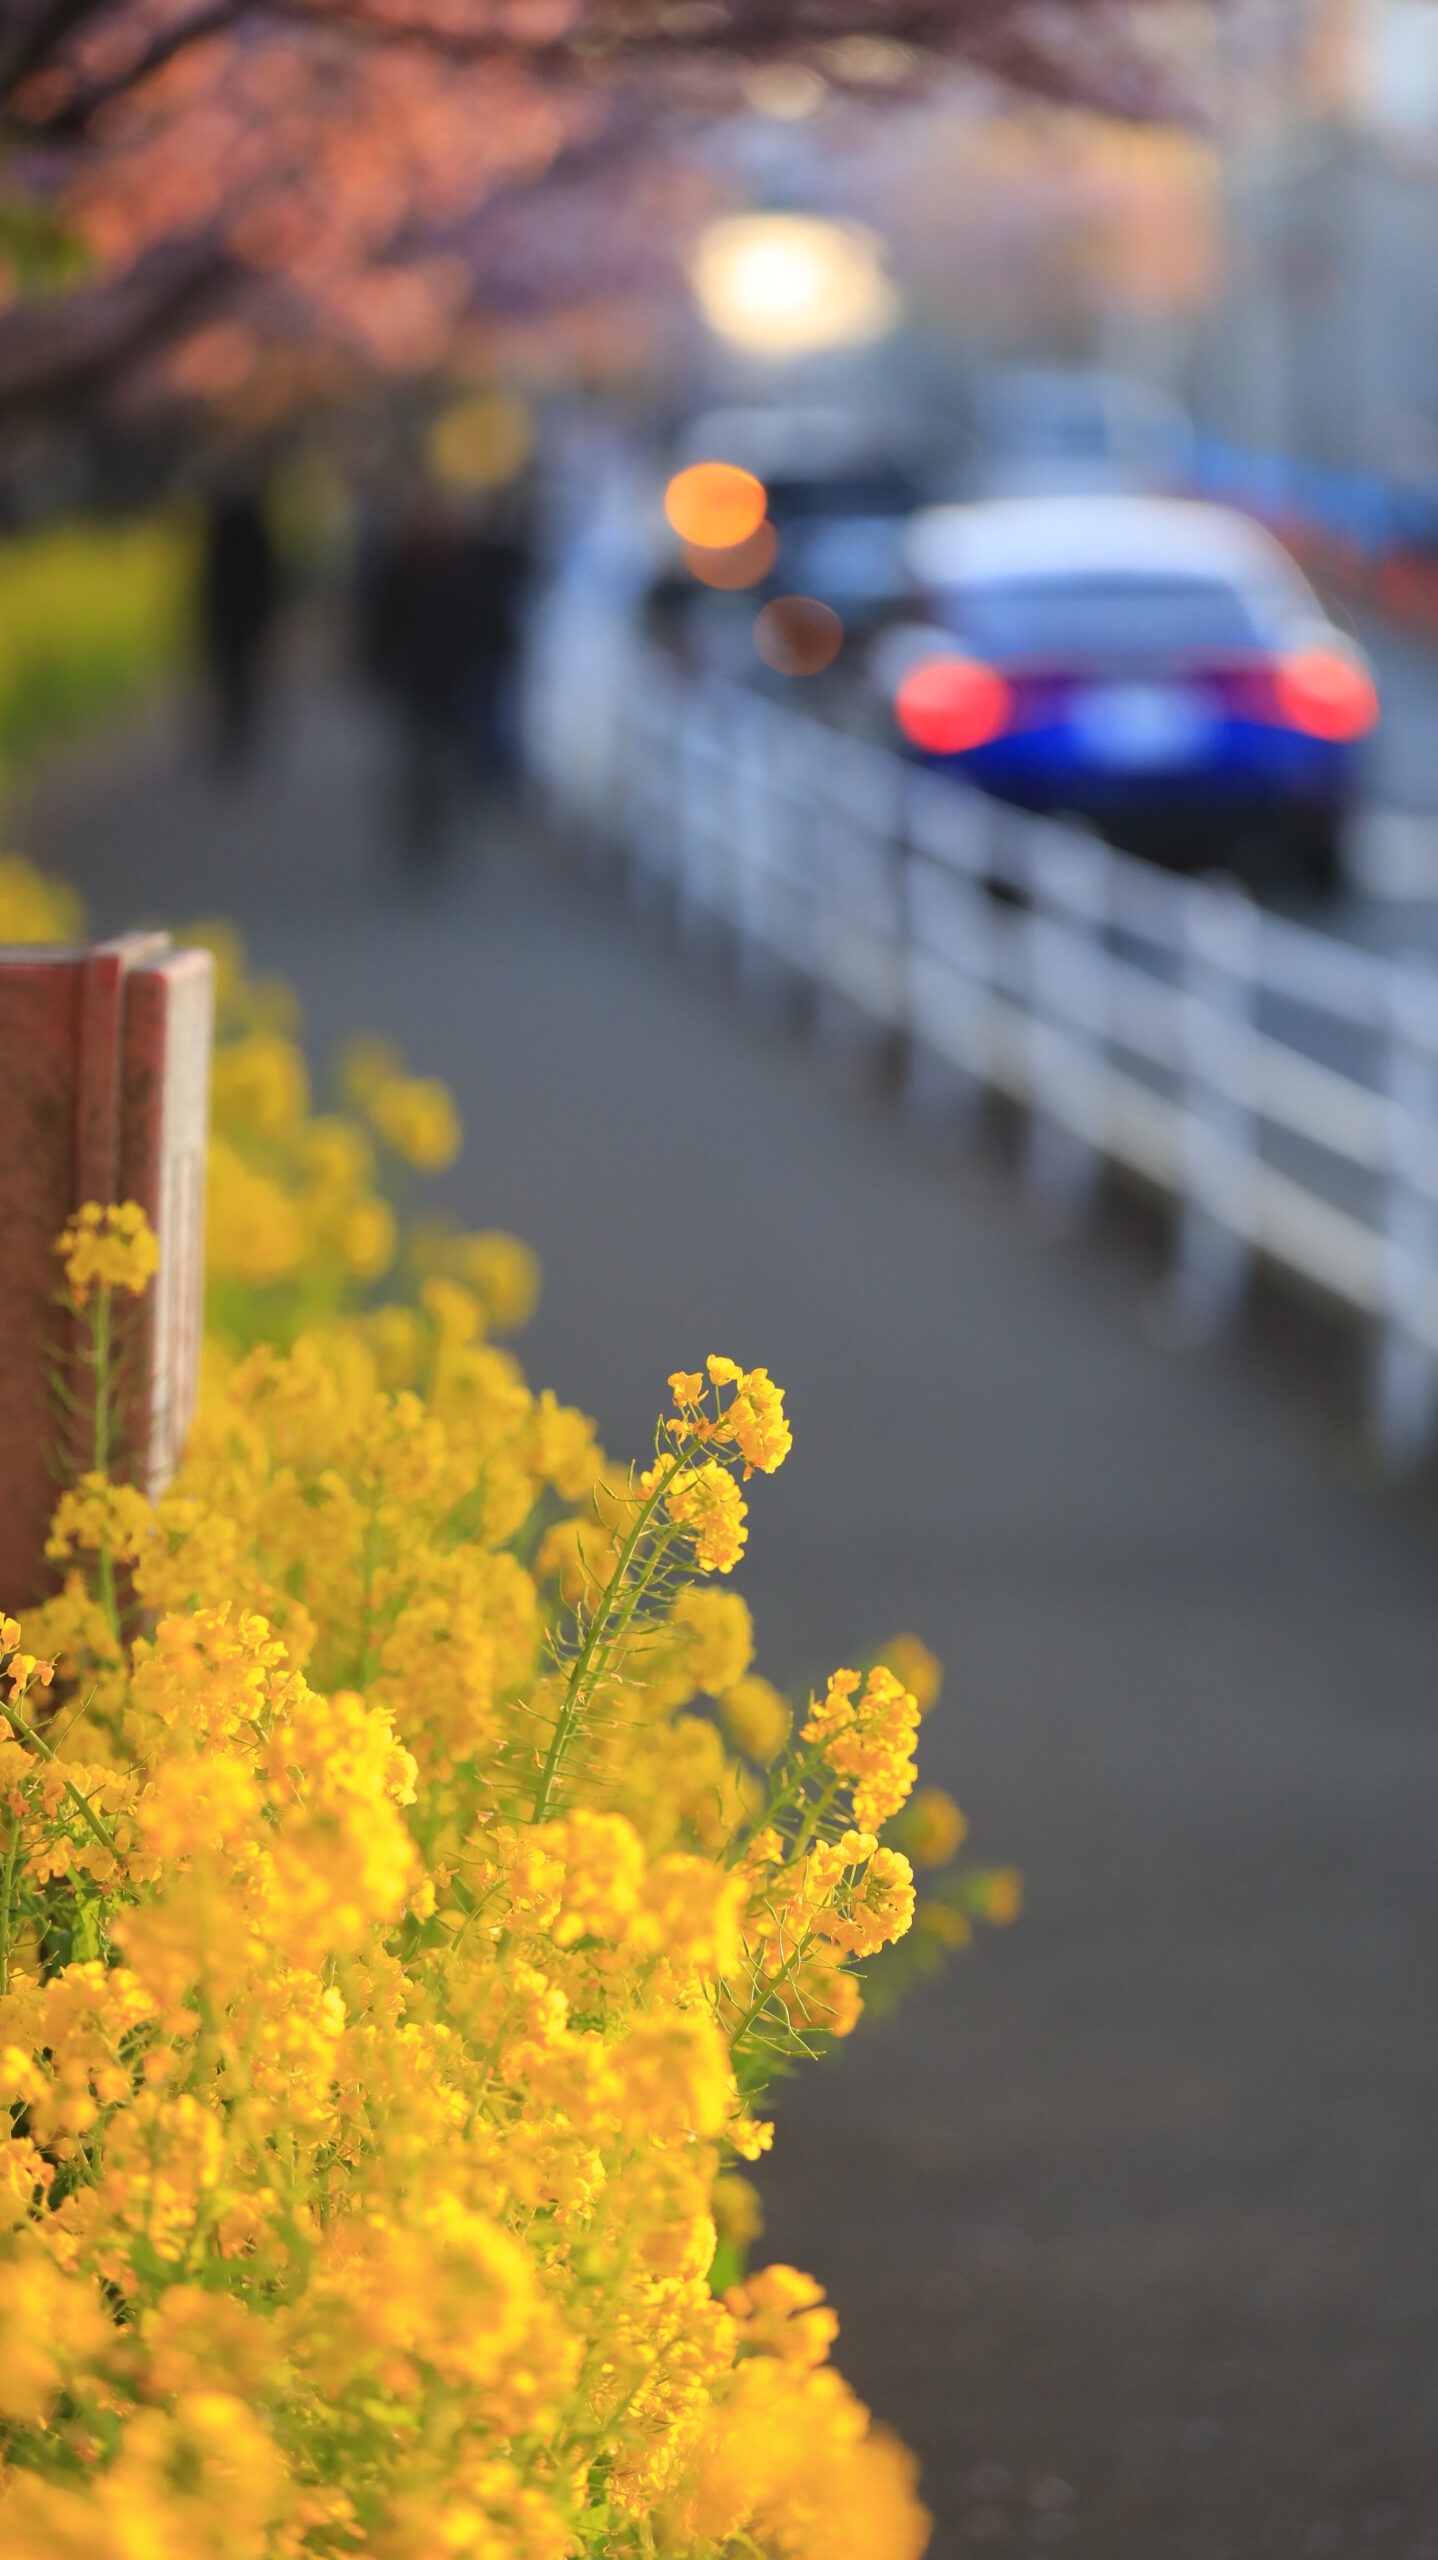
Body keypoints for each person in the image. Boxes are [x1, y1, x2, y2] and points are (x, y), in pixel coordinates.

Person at [200, 483, 279, 766]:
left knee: (232, 677)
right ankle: (240, 727)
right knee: (243, 677)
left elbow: (210, 578)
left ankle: (234, 728)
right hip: (245, 616)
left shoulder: (222, 528)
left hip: (228, 617)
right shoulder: (255, 526)